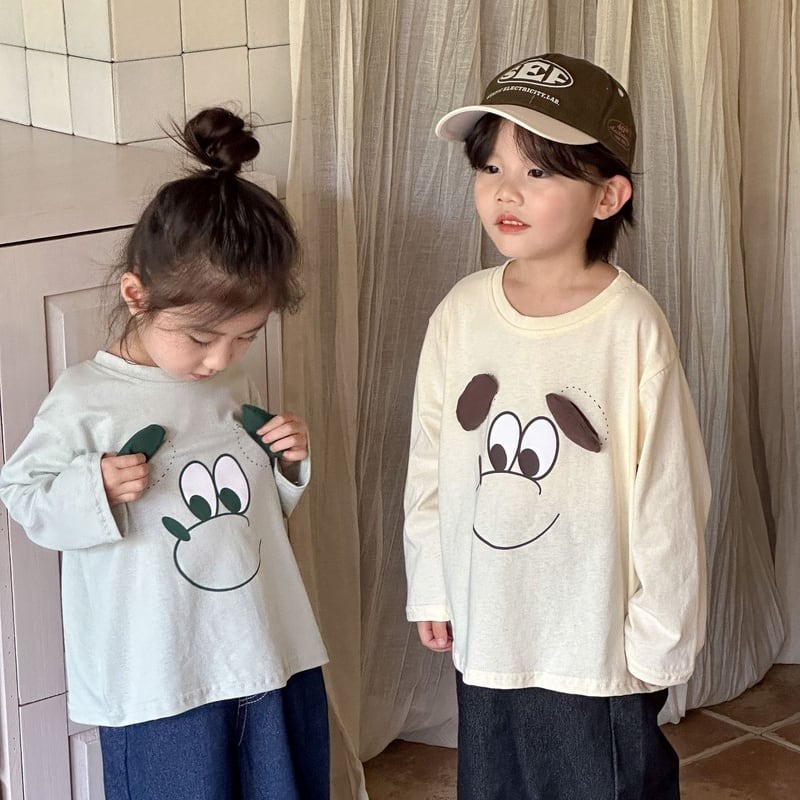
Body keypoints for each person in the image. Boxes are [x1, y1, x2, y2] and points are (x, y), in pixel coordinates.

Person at [403, 53, 710, 799]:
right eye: (491, 167)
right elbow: (433, 459)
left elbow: (669, 491)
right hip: (490, 624)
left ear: (607, 195)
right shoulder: (462, 312)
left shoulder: (629, 326)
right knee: (495, 781)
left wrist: (661, 636)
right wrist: (433, 586)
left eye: (538, 171)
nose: (505, 191)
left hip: (593, 640)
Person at [0, 108, 329, 800]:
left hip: (262, 645)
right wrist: (94, 485)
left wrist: (286, 462)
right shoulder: (86, 397)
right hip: (157, 671)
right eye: (202, 337)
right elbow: (23, 495)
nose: (221, 359)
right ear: (136, 294)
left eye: (245, 336)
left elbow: (252, 510)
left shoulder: (231, 384)